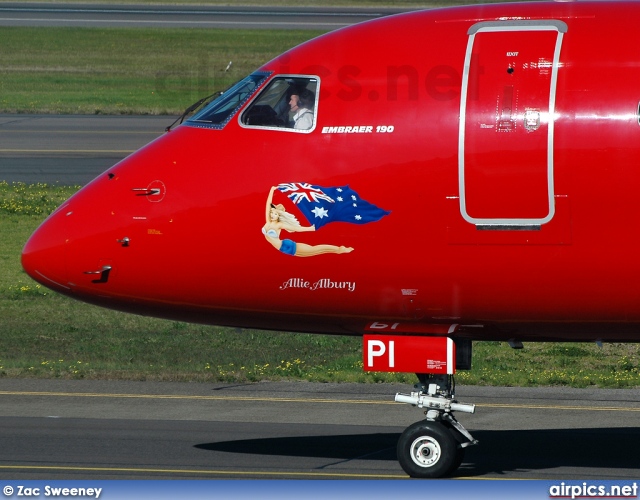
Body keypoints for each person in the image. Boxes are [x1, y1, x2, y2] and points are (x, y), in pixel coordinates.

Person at [262, 186, 353, 257]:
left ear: (279, 215)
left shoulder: (279, 224)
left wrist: (310, 228)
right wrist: (272, 190)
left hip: (286, 246)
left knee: (314, 249)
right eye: (272, 213)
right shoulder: (268, 221)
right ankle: (339, 250)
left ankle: (340, 249)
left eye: (275, 214)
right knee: (315, 251)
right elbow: (268, 204)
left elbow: (295, 228)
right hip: (284, 249)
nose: (272, 215)